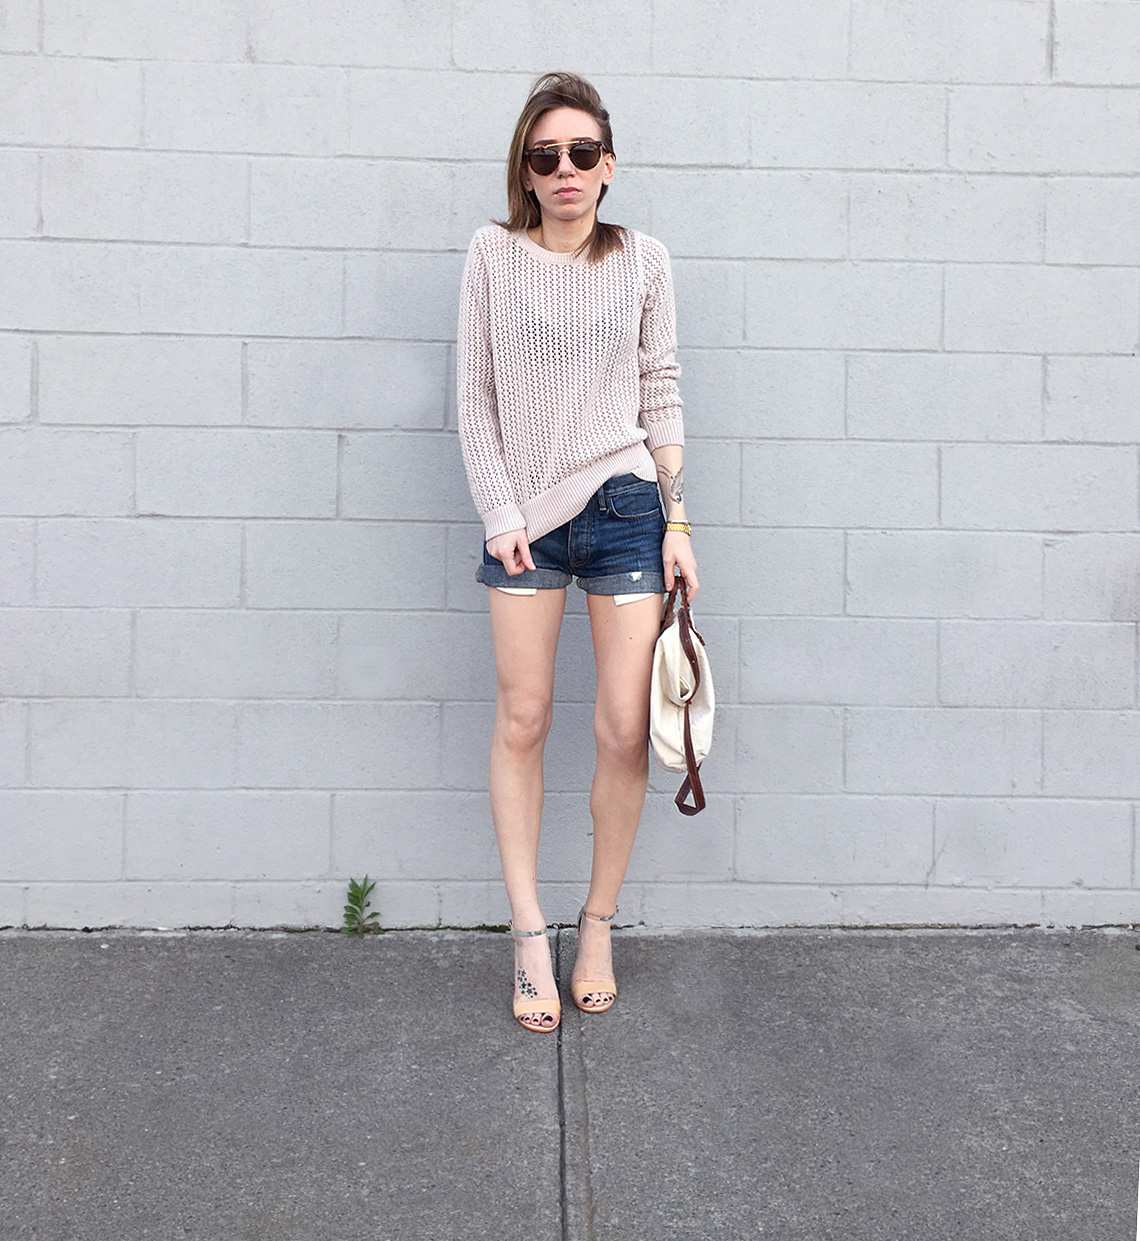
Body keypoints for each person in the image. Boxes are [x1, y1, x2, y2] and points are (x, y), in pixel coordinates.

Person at [457, 71, 698, 1032]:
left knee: (623, 729)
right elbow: (474, 396)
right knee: (522, 719)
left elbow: (662, 394)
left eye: (582, 153)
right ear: (524, 169)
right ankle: (527, 932)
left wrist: (679, 521)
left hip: (628, 507)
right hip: (525, 525)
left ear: (610, 166)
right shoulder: (489, 255)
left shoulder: (643, 262)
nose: (564, 170)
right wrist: (499, 508)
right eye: (545, 155)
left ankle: (595, 923)